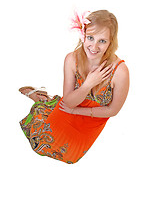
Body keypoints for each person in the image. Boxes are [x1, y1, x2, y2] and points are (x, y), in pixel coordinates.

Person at [19, 9, 129, 164]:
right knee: (40, 142)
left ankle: (46, 99)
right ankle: (40, 99)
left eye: (102, 41)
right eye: (90, 38)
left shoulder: (120, 72)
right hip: (69, 106)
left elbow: (113, 110)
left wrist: (76, 111)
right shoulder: (71, 59)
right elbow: (69, 102)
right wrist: (88, 84)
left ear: (111, 41)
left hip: (92, 120)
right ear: (82, 35)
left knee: (70, 156)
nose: (94, 46)